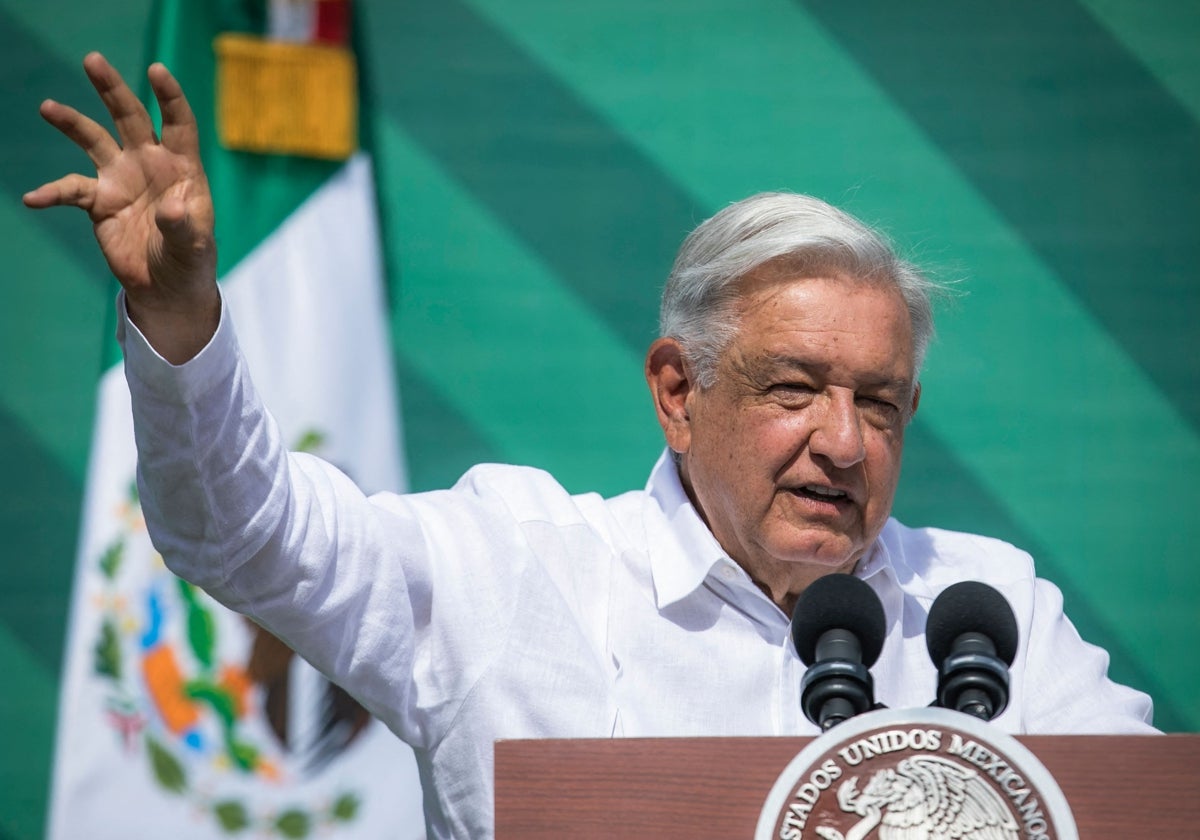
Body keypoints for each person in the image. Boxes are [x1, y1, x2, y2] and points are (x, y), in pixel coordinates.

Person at [27, 54, 1154, 838]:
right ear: (677, 392)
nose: (845, 443)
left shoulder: (987, 617)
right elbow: (241, 535)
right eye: (797, 390)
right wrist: (180, 315)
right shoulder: (512, 568)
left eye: (883, 403)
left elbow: (1148, 813)